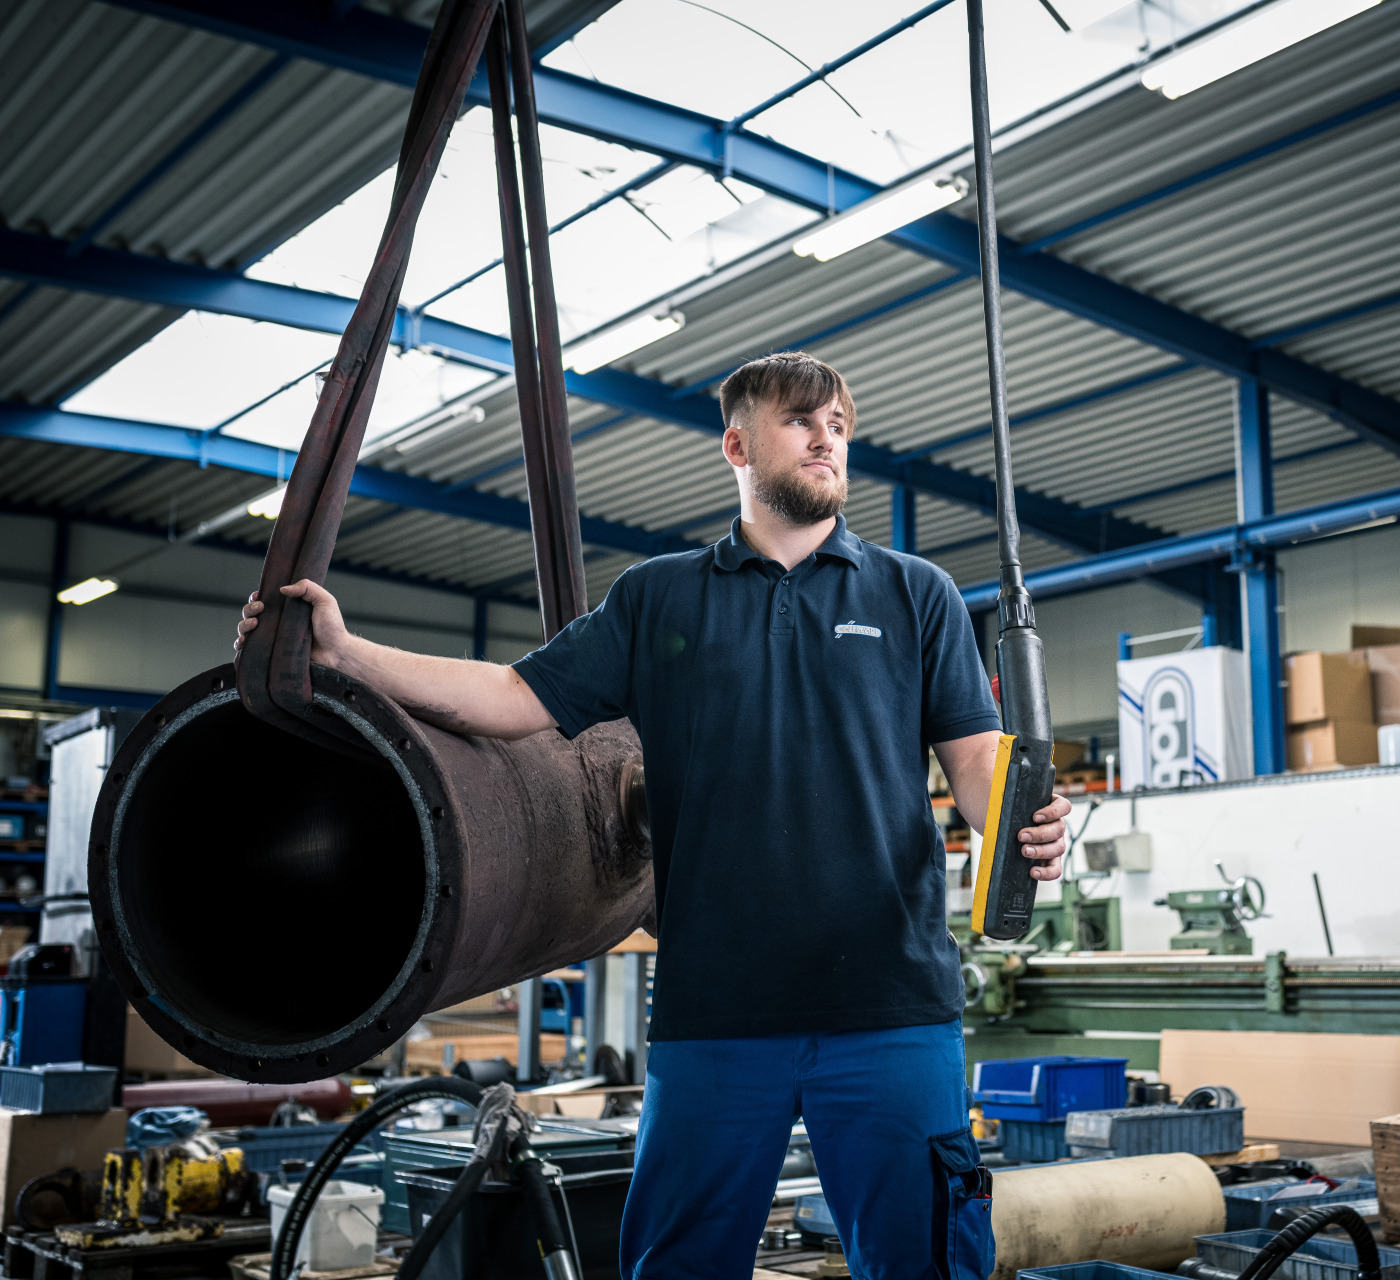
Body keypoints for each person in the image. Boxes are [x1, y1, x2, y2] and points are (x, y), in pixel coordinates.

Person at [236, 350, 1070, 1280]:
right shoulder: (659, 597)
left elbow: (977, 765)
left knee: (926, 1262)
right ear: (737, 446)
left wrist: (1026, 821)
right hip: (715, 1013)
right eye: (800, 421)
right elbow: (512, 697)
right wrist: (348, 654)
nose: (826, 439)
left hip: (892, 1006)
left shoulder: (917, 593)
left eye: (838, 425)